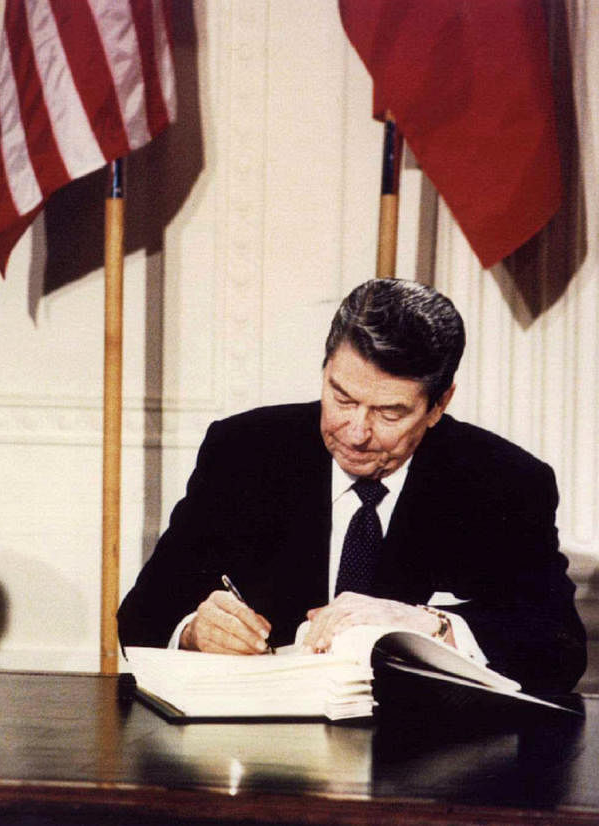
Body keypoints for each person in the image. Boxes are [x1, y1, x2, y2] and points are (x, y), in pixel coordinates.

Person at [118, 279, 586, 693]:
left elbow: (559, 652)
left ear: (439, 405)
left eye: (389, 413)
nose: (355, 431)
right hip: (268, 758)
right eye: (341, 397)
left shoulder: (504, 481)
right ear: (324, 370)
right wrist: (195, 631)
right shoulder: (245, 451)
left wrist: (429, 625)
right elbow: (141, 616)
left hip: (424, 759)